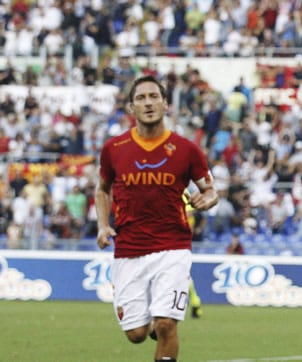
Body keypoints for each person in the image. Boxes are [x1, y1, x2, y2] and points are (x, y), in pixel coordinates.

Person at [96, 75, 218, 362]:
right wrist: (103, 225)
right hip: (129, 249)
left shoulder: (187, 150)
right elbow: (102, 189)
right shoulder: (114, 149)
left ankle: (163, 323)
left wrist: (207, 200)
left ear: (165, 103)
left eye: (154, 96)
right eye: (141, 98)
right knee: (136, 334)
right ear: (131, 107)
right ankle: (150, 322)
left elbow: (211, 190)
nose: (148, 102)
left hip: (172, 246)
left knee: (166, 324)